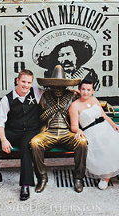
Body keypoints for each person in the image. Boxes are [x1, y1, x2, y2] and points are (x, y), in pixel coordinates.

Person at [68, 79, 119, 190]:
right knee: (108, 148)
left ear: (92, 91)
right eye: (83, 89)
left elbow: (104, 116)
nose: (85, 92)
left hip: (105, 127)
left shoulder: (94, 99)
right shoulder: (74, 106)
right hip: (92, 132)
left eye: (88, 90)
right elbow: (74, 126)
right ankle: (106, 178)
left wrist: (114, 125)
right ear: (79, 90)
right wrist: (78, 130)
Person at [0, 69, 43, 201]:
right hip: (13, 131)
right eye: (23, 82)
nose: (26, 85)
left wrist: (74, 93)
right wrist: (3, 139)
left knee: (27, 146)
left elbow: (56, 91)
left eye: (29, 82)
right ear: (17, 81)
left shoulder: (37, 92)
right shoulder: (7, 99)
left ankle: (25, 184)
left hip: (31, 131)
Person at [29, 64, 88, 193]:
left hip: (67, 132)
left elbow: (87, 103)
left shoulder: (72, 96)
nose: (58, 88)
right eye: (55, 84)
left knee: (82, 142)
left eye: (61, 84)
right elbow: (40, 117)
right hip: (49, 132)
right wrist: (53, 109)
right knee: (35, 143)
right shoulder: (45, 96)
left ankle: (78, 178)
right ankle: (42, 177)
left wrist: (104, 103)